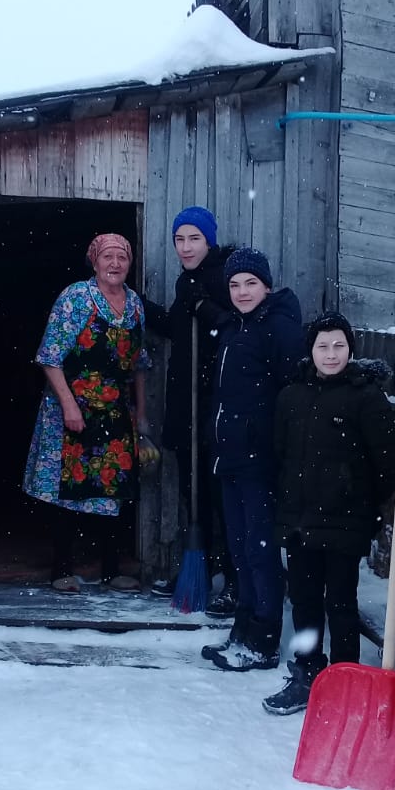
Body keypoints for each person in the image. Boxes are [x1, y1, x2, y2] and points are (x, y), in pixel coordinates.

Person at [263, 313, 395, 714]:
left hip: (346, 521)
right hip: (300, 520)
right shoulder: (291, 396)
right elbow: (280, 454)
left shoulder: (367, 398)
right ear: (311, 350)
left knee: (341, 602)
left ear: (350, 349)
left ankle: (344, 680)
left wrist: (363, 504)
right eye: (322, 346)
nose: (331, 354)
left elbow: (386, 463)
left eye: (339, 345)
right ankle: (307, 673)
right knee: (304, 599)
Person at [23, 233, 150, 591]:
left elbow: (139, 365)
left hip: (115, 410)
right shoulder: (76, 297)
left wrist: (141, 414)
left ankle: (111, 570)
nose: (115, 264)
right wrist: (68, 406)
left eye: (122, 257)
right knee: (69, 486)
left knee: (113, 486)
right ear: (94, 262)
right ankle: (61, 569)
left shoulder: (135, 304)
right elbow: (49, 357)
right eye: (107, 257)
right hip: (73, 407)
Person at [202, 247, 304, 671]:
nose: (242, 291)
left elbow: (293, 398)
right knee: (241, 549)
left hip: (259, 461)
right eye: (234, 284)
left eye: (250, 283)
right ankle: (243, 630)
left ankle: (264, 640)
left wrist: (279, 453)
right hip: (230, 458)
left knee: (260, 551)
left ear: (266, 285)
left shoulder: (280, 329)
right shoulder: (236, 327)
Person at [142, 206, 238, 614]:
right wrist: (139, 304)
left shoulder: (225, 278)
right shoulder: (187, 282)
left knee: (222, 498)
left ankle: (235, 581)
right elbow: (177, 329)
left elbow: (235, 329)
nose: (185, 247)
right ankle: (198, 569)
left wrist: (206, 308)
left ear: (209, 241)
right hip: (186, 404)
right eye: (179, 239)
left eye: (194, 238)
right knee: (190, 494)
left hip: (215, 404)